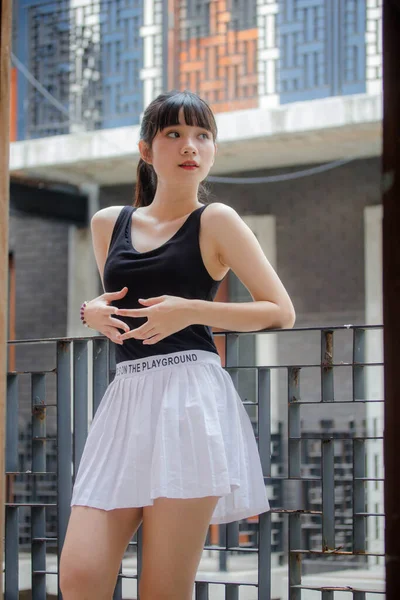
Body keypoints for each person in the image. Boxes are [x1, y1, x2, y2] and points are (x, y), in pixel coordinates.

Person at [59, 89, 296, 600]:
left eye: (202, 135)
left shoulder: (217, 220)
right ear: (147, 150)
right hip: (125, 399)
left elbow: (280, 310)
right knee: (79, 575)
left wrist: (192, 310)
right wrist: (91, 311)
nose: (191, 146)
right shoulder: (109, 223)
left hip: (189, 398)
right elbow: (117, 297)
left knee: (163, 588)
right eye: (174, 134)